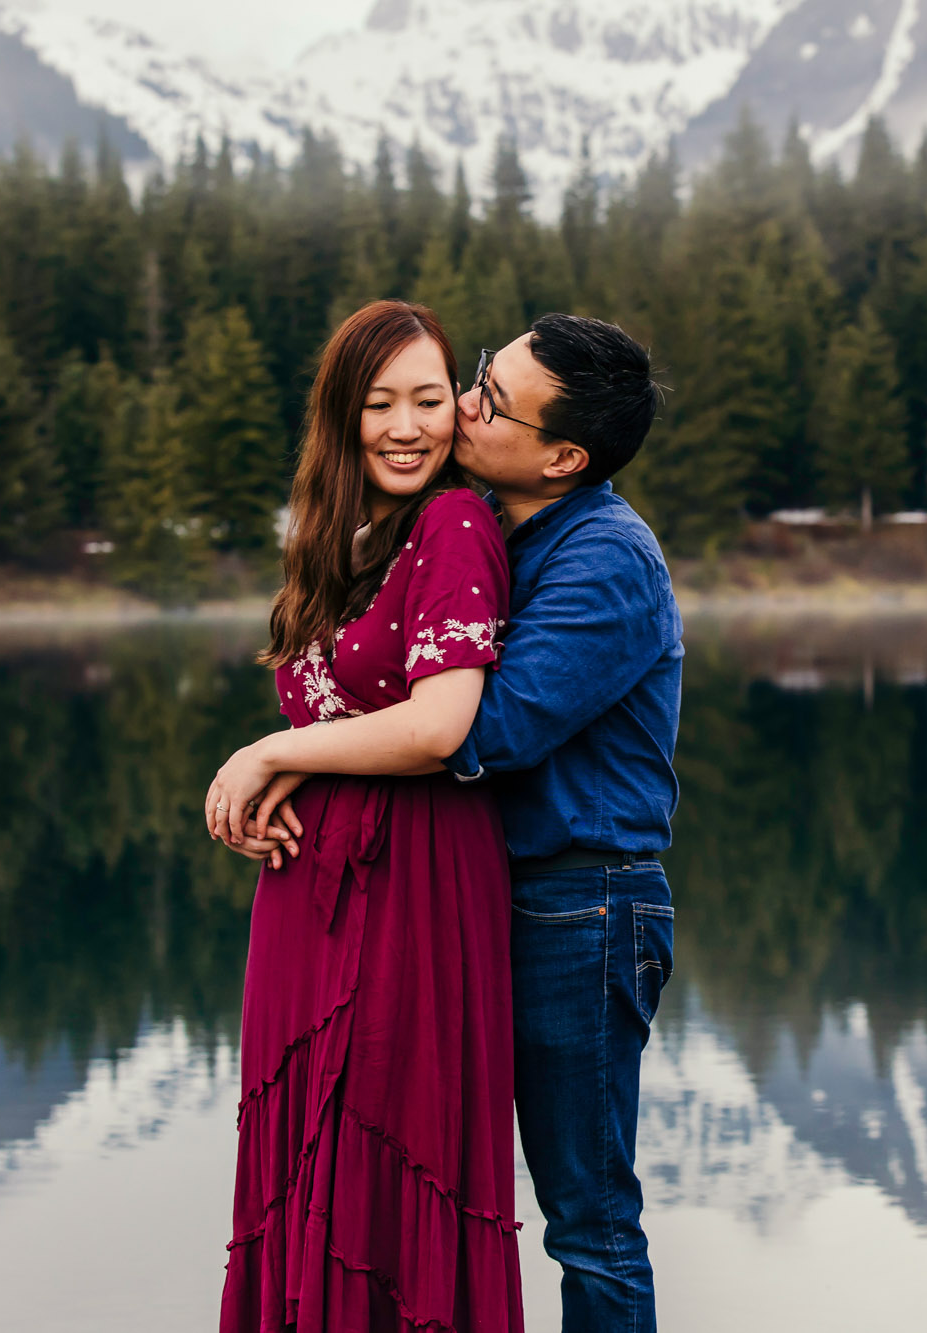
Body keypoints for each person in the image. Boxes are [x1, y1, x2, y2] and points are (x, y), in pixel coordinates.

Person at [229, 313, 680, 1333]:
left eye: (488, 399)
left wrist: (280, 754)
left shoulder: (604, 558)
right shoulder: (486, 518)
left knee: (588, 1220)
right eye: (477, 376)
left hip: (581, 907)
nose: (464, 405)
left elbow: (476, 731)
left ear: (562, 455)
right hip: (477, 900)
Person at [203, 300, 524, 1332]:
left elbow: (438, 725)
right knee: (308, 1170)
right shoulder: (339, 542)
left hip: (414, 892)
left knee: (385, 1158)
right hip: (308, 904)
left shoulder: (453, 523)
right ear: (341, 417)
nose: (405, 425)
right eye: (379, 402)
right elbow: (347, 713)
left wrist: (270, 752)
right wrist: (286, 787)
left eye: (429, 399)